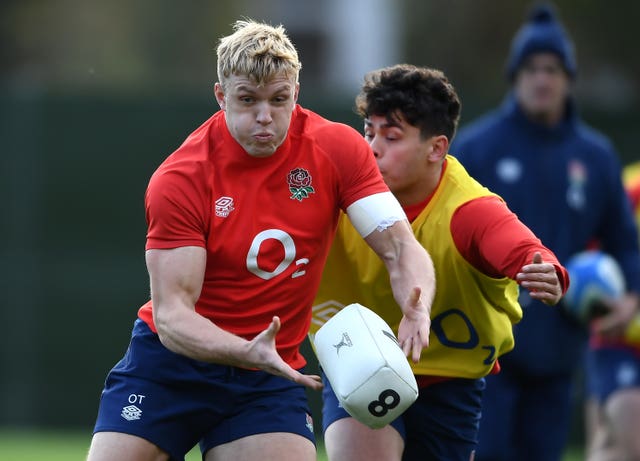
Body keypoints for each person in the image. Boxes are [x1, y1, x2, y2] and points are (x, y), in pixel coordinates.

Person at [85, 20, 437, 461]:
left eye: (279, 99)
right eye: (248, 101)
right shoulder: (181, 178)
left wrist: (417, 302)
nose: (265, 117)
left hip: (267, 375)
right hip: (171, 366)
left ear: (296, 91)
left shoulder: (337, 149)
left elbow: (401, 247)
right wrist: (244, 350)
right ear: (221, 96)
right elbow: (174, 315)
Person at [310, 63, 568, 461]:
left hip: (450, 378)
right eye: (369, 132)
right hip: (358, 357)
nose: (372, 147)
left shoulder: (466, 210)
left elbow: (518, 247)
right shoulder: (336, 187)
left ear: (436, 148)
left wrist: (546, 270)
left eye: (391, 137)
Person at [451, 4, 640, 460]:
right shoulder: (478, 147)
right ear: (515, 76)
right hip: (487, 348)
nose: (542, 79)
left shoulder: (594, 156)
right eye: (532, 68)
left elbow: (624, 243)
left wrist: (630, 295)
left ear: (568, 78)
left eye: (552, 69)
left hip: (560, 346)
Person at [584, 161, 640, 461]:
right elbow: (595, 252)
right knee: (631, 445)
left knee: (612, 446)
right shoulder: (631, 187)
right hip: (622, 341)